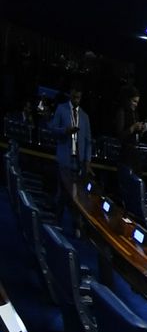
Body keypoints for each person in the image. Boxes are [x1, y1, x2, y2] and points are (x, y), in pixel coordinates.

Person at [47, 87, 92, 229]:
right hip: (64, 158)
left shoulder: (84, 116)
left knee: (76, 197)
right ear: (70, 95)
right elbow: (52, 129)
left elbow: (88, 140)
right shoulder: (61, 109)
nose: (76, 100)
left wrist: (87, 161)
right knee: (61, 193)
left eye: (78, 97)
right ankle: (57, 222)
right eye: (74, 97)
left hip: (78, 161)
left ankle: (75, 227)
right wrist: (65, 131)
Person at [112, 86, 147, 173]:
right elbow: (120, 135)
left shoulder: (135, 113)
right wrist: (133, 128)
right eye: (134, 101)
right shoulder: (121, 112)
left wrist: (142, 130)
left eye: (137, 102)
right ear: (128, 100)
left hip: (135, 152)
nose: (136, 104)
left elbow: (136, 135)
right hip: (126, 153)